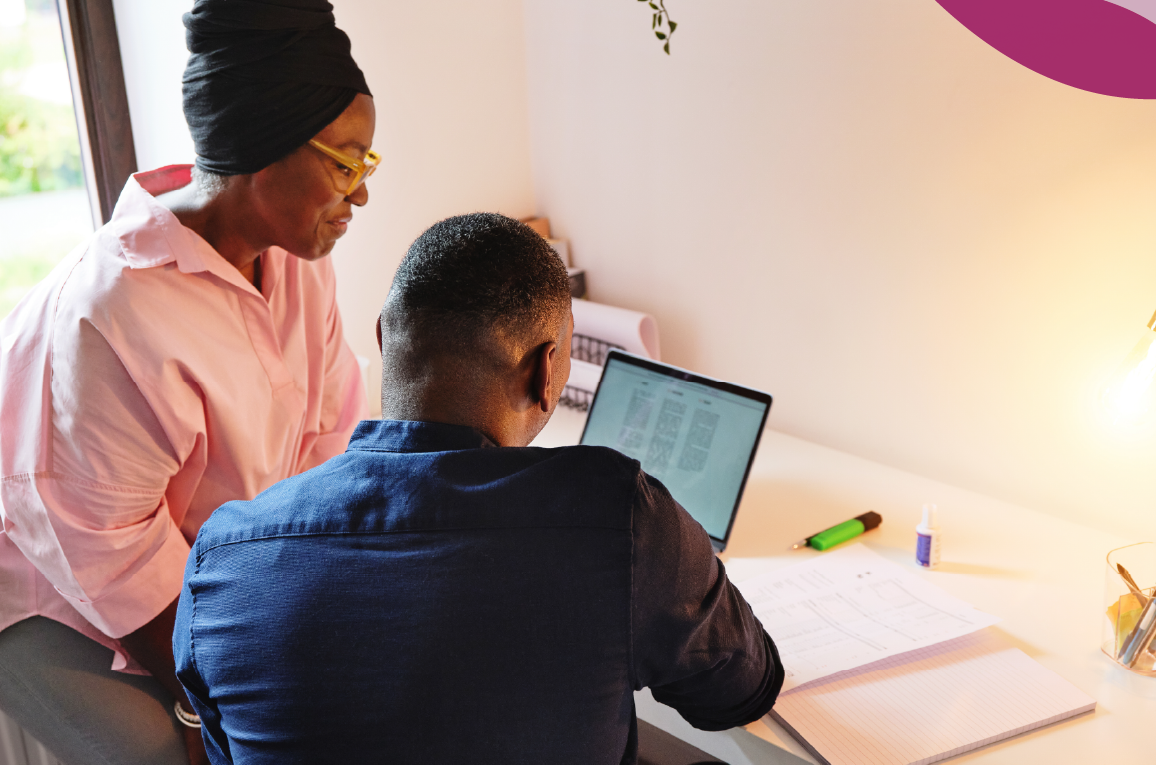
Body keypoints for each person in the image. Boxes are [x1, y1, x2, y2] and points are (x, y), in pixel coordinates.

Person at [173, 213, 784, 764]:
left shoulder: (222, 558)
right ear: (547, 372)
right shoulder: (617, 517)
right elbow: (738, 694)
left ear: (385, 340)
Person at [0, 2, 376, 763]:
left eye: (367, 165)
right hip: (21, 539)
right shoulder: (113, 313)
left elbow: (327, 445)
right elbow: (106, 551)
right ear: (265, 146)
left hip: (151, 533)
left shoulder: (299, 268)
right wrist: (216, 699)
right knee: (171, 748)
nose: (362, 194)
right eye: (346, 163)